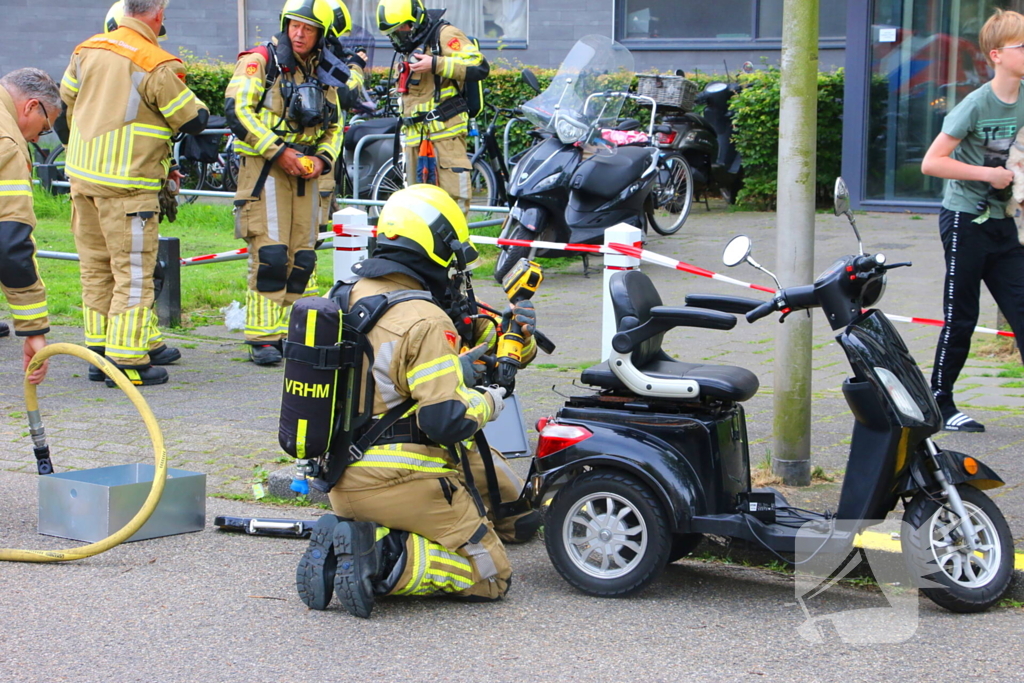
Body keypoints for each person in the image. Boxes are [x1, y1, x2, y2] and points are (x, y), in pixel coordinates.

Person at [295, 184, 541, 618]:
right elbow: (445, 420)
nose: (454, 269)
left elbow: (462, 343)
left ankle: (359, 530)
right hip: (399, 476)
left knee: (518, 516)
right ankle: (382, 554)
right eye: (452, 257)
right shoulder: (424, 320)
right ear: (434, 247)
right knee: (490, 573)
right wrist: (493, 398)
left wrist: (516, 340)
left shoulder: (351, 293)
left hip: (340, 470)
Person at [59, 0, 209, 387]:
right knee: (134, 274)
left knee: (95, 269)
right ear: (158, 15)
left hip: (82, 181)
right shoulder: (157, 63)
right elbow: (192, 119)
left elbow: (67, 106)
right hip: (127, 188)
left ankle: (98, 354)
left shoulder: (87, 49)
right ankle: (127, 361)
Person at [225, 0, 358, 365]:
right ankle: (263, 338)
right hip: (266, 169)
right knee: (270, 254)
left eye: (309, 28)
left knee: (302, 255)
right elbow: (237, 109)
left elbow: (335, 126)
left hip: (307, 173)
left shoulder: (325, 71)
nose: (299, 34)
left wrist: (322, 159)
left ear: (321, 35)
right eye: (294, 25)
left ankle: (292, 332)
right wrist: (278, 151)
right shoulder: (261, 61)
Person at [920, 8, 1024, 433]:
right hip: (964, 221)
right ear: (997, 55)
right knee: (961, 315)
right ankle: (940, 403)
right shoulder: (975, 104)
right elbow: (932, 163)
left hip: (1002, 222)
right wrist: (988, 174)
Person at [377, 0, 489, 214]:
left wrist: (436, 64)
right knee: (418, 211)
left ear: (417, 19)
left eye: (402, 29)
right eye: (393, 33)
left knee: (450, 209)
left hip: (445, 140)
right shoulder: (410, 46)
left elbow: (479, 66)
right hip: (413, 142)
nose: (399, 36)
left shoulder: (445, 35)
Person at [0, 68, 58, 386]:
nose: (36, 138)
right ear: (32, 106)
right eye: (44, 128)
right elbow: (9, 243)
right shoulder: (7, 142)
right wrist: (33, 328)